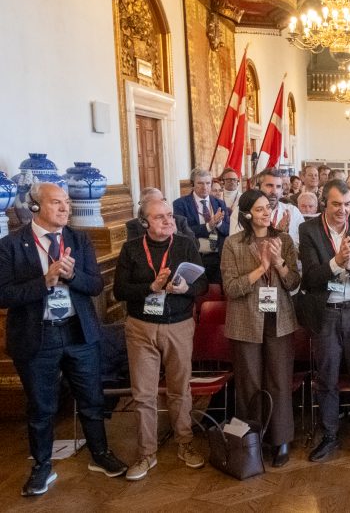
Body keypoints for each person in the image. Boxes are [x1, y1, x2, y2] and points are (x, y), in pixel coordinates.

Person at [0, 183, 128, 496]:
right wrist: (44, 282)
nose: (65, 208)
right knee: (42, 407)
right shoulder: (11, 245)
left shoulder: (78, 239)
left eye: (67, 203)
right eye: (56, 203)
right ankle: (42, 467)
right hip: (36, 335)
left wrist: (71, 277)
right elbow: (3, 295)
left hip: (77, 331)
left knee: (91, 398)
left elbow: (96, 285)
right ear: (35, 207)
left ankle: (100, 454)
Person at [114, 199, 208, 480]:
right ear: (144, 222)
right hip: (141, 327)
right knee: (143, 393)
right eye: (160, 217)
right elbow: (119, 290)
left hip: (179, 324)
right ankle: (146, 453)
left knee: (180, 389)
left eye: (170, 216)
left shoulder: (185, 245)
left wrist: (185, 288)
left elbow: (202, 284)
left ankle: (185, 443)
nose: (168, 221)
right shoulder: (131, 249)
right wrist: (150, 287)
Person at [299, 180, 350, 462]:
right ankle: (330, 435)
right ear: (325, 202)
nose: (343, 211)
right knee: (327, 379)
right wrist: (336, 262)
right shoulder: (308, 230)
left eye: (347, 205)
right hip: (326, 314)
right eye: (336, 204)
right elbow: (309, 278)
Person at [221, 189, 301, 467]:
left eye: (268, 207)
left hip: (280, 320)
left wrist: (277, 264)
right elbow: (231, 288)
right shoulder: (233, 244)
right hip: (245, 321)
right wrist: (260, 269)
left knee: (279, 381)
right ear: (246, 214)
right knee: (249, 384)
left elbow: (293, 283)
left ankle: (280, 441)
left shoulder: (285, 240)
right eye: (259, 209)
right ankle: (251, 440)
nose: (267, 213)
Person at [173, 167, 230, 283]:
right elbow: (183, 232)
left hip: (219, 256)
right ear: (192, 184)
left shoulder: (220, 203)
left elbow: (229, 230)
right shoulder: (180, 204)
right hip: (197, 257)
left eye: (208, 183)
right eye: (200, 183)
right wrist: (208, 226)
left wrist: (218, 224)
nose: (205, 187)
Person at [230, 169, 303, 244]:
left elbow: (300, 246)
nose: (274, 191)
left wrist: (284, 238)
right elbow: (236, 244)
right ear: (257, 188)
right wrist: (277, 234)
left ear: (282, 190)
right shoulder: (243, 210)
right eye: (269, 185)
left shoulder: (293, 211)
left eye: (278, 187)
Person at [125, 187, 195, 241]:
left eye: (163, 200)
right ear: (143, 206)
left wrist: (176, 233)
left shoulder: (180, 220)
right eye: (155, 203)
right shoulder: (134, 225)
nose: (162, 205)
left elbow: (195, 245)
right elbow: (133, 251)